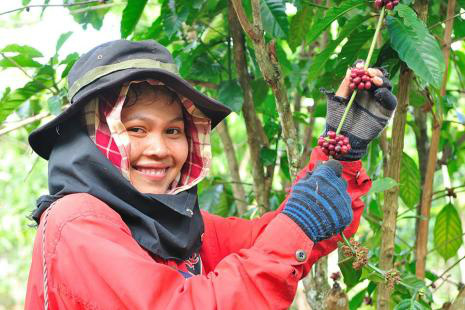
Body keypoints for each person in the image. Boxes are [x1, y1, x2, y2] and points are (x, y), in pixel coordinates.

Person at [24, 40, 396, 310]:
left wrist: (341, 152)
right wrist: (300, 222)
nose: (159, 148)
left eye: (173, 131)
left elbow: (285, 237)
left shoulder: (176, 225)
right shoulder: (76, 223)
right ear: (92, 138)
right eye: (135, 129)